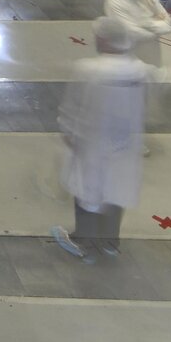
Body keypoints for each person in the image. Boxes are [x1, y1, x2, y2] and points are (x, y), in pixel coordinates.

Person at [53, 15, 151, 261]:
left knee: (86, 189)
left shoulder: (88, 69)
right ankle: (110, 242)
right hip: (125, 144)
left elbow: (72, 105)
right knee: (116, 190)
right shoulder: (138, 70)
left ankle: (83, 242)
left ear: (105, 40)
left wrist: (67, 131)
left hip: (91, 142)